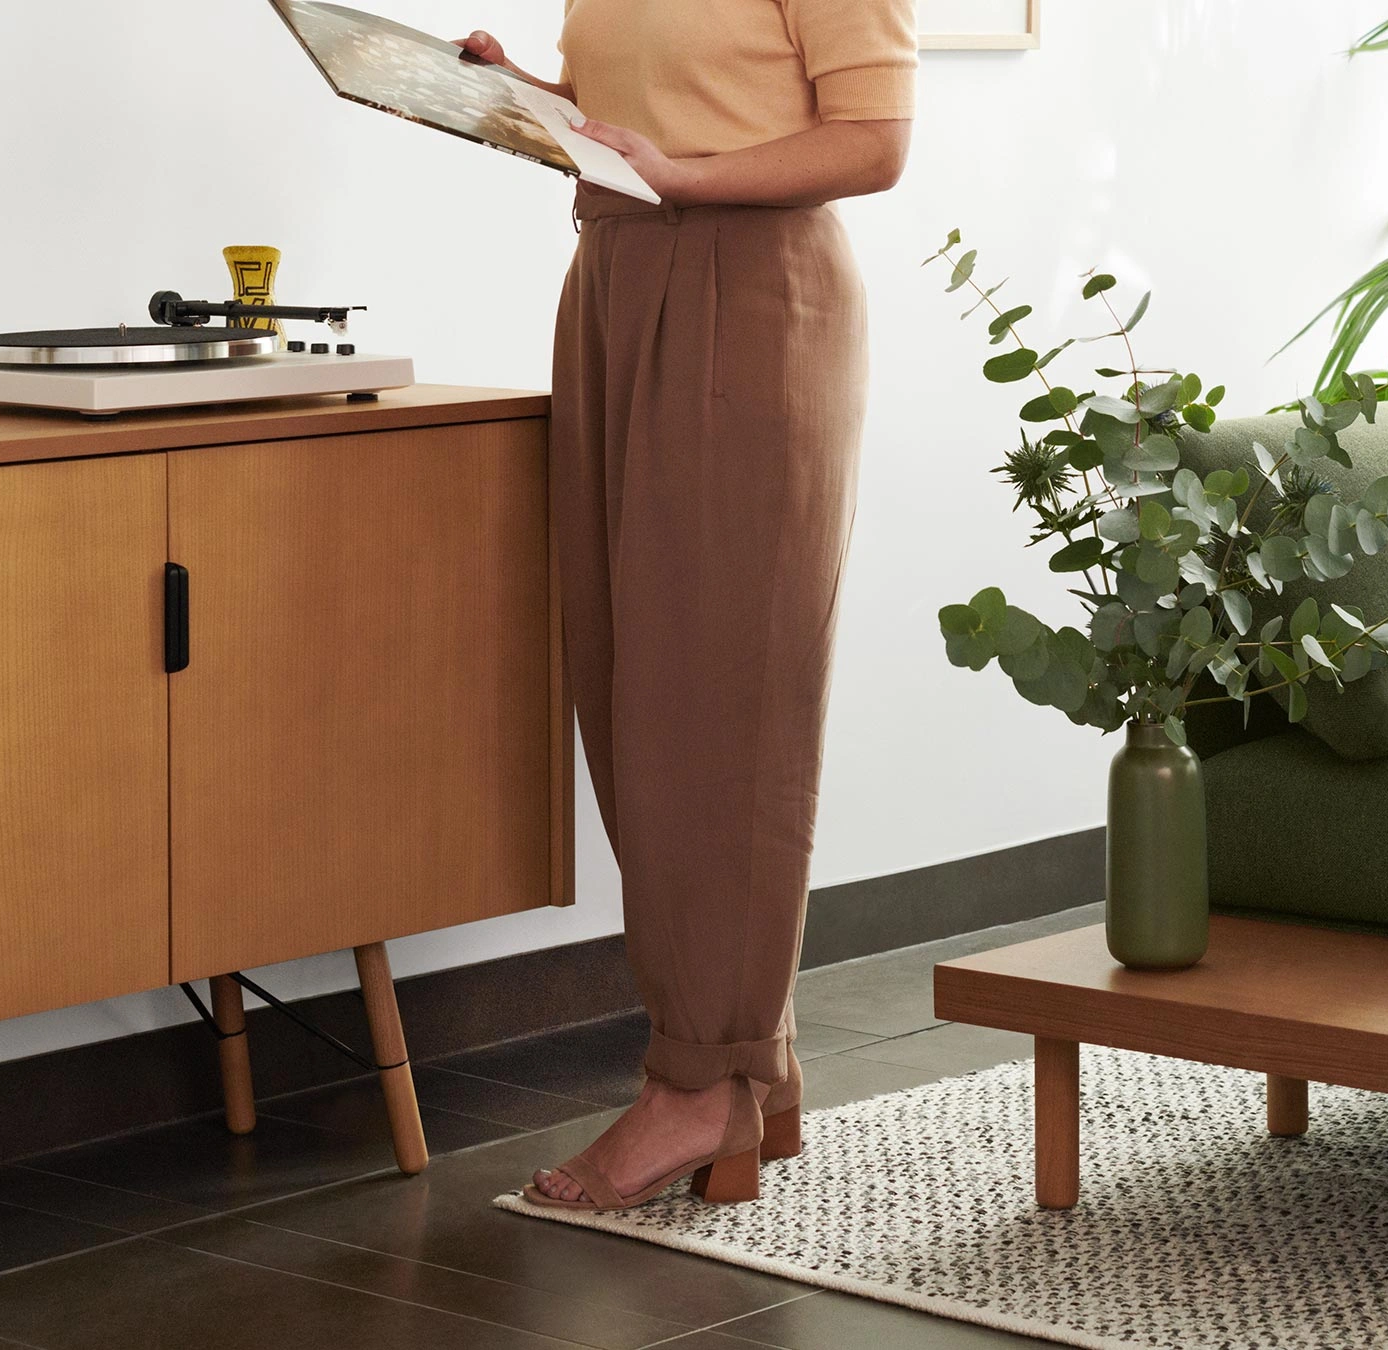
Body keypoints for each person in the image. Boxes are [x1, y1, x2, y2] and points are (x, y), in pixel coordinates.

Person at [458, 0, 915, 1213]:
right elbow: (647, 129)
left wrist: (689, 177)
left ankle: (700, 1084)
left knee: (716, 705)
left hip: (750, 294)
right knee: (627, 688)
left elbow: (875, 142)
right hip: (615, 278)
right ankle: (751, 1073)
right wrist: (528, 104)